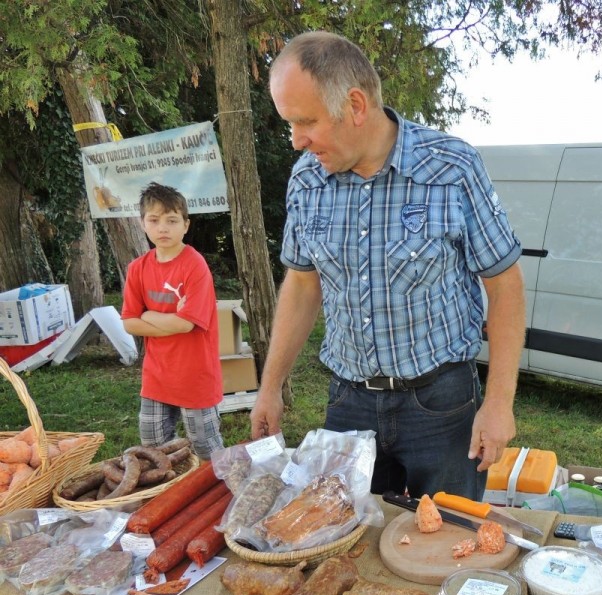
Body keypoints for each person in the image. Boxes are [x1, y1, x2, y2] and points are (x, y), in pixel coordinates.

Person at [250, 31, 526, 501]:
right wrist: (270, 387)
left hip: (441, 406)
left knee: (446, 537)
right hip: (348, 404)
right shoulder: (306, 181)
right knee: (345, 536)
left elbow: (505, 285)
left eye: (306, 122)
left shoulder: (451, 168)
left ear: (356, 105)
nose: (296, 141)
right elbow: (302, 284)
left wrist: (499, 402)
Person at [121, 182, 225, 460]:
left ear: (186, 225)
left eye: (172, 220)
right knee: (153, 448)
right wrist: (171, 318)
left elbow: (186, 325)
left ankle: (221, 485)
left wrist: (149, 315)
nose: (163, 228)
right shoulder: (137, 269)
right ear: (142, 223)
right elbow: (129, 323)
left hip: (195, 375)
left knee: (205, 447)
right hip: (156, 376)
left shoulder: (194, 265)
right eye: (154, 220)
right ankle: (176, 484)